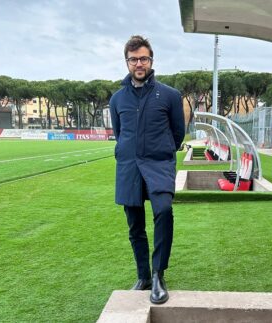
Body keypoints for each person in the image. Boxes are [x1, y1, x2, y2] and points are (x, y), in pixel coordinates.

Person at [109, 35, 185, 304]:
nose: (138, 63)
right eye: (133, 59)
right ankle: (142, 276)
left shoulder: (170, 95)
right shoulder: (117, 99)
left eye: (143, 58)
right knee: (134, 225)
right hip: (129, 167)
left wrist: (160, 152)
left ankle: (158, 275)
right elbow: (120, 134)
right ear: (127, 62)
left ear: (151, 60)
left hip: (159, 164)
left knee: (163, 211)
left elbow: (178, 133)